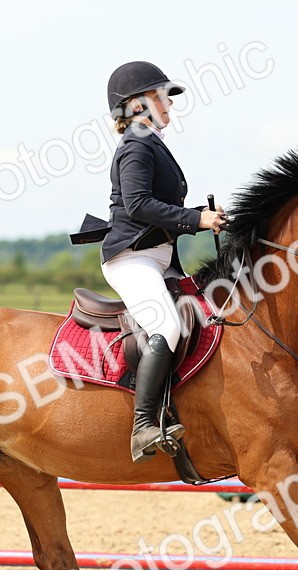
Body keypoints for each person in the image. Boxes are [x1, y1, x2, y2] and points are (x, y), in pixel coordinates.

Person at [86, 61, 226, 463]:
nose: (169, 105)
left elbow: (158, 206)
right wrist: (195, 219)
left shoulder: (150, 141)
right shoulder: (136, 144)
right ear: (137, 104)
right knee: (165, 323)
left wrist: (204, 215)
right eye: (163, 96)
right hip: (132, 258)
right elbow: (138, 204)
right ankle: (143, 425)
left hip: (158, 258)